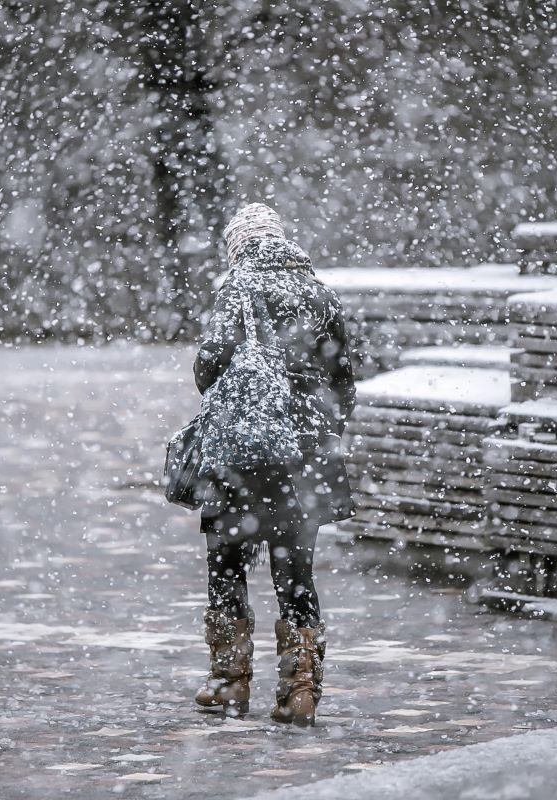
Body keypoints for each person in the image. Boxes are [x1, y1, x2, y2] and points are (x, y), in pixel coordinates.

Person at [192, 203, 356, 727]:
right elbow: (343, 379)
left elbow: (208, 365)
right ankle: (299, 691)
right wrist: (316, 431)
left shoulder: (236, 288)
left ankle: (229, 682)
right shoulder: (317, 291)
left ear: (236, 246)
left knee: (226, 559)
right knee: (295, 569)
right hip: (300, 455)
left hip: (240, 450)